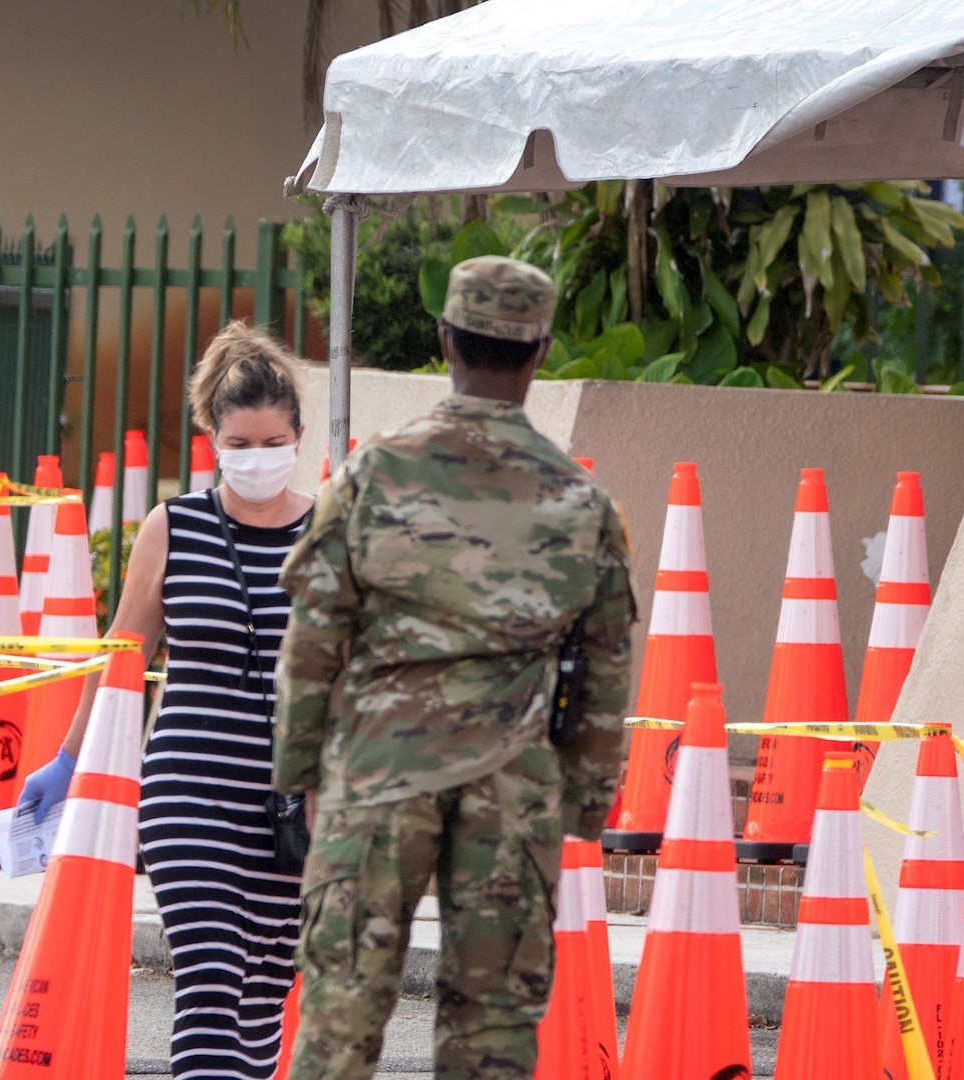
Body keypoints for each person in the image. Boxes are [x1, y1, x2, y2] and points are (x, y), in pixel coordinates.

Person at [273, 256, 639, 1079]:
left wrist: (300, 772)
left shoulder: (372, 475)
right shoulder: (582, 503)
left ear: (445, 340)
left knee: (339, 1018)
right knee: (493, 1031)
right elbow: (607, 673)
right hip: (514, 784)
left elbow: (313, 640)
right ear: (540, 353)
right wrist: (580, 803)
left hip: (375, 772)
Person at [19, 321, 313, 1079]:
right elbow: (123, 653)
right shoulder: (174, 528)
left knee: (261, 1001)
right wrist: (69, 758)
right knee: (211, 986)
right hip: (188, 794)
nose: (257, 459)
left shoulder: (331, 534)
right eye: (240, 445)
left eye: (271, 442)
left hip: (296, 806)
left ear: (299, 436)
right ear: (212, 438)